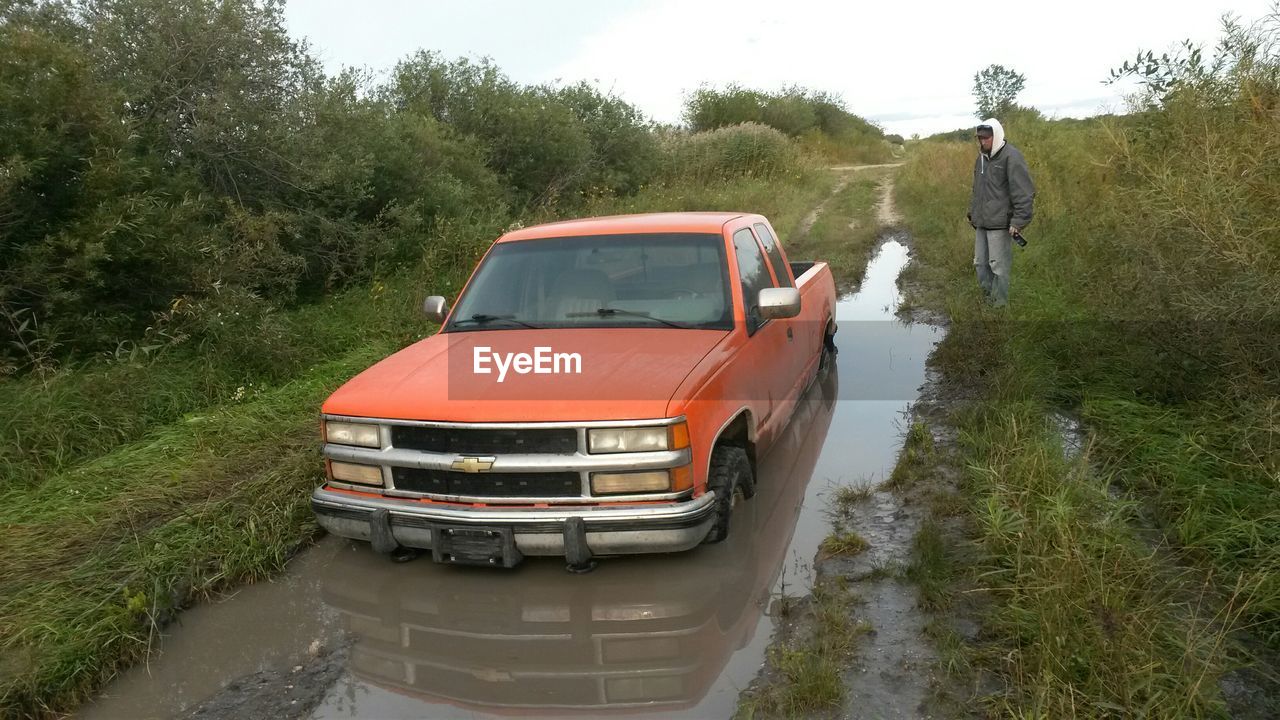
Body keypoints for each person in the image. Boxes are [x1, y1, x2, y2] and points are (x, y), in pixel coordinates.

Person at [967, 118, 1034, 307]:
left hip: (1000, 224)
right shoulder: (980, 159)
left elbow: (1024, 192)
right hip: (981, 222)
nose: (982, 142)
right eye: (980, 138)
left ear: (996, 136)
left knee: (998, 267)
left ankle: (999, 306)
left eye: (986, 138)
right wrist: (972, 212)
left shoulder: (1011, 157)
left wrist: (1018, 222)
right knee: (980, 264)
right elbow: (977, 189)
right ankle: (987, 301)